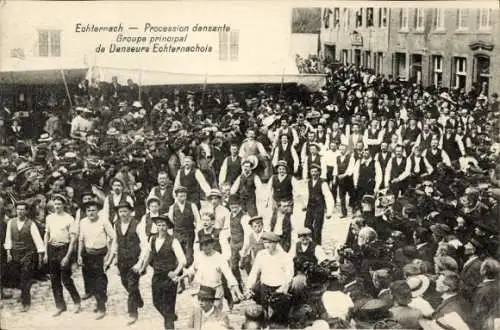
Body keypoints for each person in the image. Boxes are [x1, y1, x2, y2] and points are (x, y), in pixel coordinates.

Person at [141, 215, 186, 330]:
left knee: (168, 306)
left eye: (164, 225)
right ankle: (171, 317)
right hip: (157, 276)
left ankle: (170, 323)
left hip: (169, 278)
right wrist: (143, 267)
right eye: (159, 225)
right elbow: (149, 255)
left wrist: (175, 272)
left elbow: (182, 261)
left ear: (168, 227)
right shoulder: (153, 239)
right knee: (156, 303)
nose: (161, 228)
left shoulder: (173, 241)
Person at [106, 201, 147, 325]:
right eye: (120, 212)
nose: (123, 214)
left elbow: (145, 245)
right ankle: (138, 298)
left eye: (125, 211)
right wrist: (111, 259)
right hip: (122, 261)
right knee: (125, 283)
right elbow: (115, 243)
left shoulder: (137, 225)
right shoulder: (116, 224)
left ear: (130, 212)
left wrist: (140, 263)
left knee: (132, 285)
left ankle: (132, 314)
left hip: (134, 260)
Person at [4, 201, 46, 312]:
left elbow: (37, 240)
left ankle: (26, 302)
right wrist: (8, 252)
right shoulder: (10, 222)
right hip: (14, 254)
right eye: (18, 209)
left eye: (22, 209)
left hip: (28, 254)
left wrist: (41, 254)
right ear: (15, 210)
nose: (20, 211)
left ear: (26, 211)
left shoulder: (31, 224)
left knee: (25, 279)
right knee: (18, 278)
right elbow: (8, 238)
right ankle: (23, 294)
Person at [43, 194, 81, 316]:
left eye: (59, 204)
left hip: (64, 249)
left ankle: (77, 301)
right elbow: (47, 235)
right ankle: (60, 306)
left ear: (64, 205)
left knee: (66, 279)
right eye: (55, 204)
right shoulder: (49, 218)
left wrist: (67, 256)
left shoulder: (69, 219)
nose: (57, 206)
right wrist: (45, 253)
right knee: (54, 280)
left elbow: (73, 239)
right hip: (52, 249)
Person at [77, 200, 115, 320]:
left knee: (99, 281)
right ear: (86, 212)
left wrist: (110, 255)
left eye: (93, 210)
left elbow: (113, 237)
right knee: (92, 281)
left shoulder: (103, 221)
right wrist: (79, 255)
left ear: (98, 211)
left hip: (101, 255)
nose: (91, 212)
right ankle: (101, 299)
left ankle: (101, 307)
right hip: (88, 254)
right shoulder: (83, 222)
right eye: (88, 210)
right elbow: (81, 240)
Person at [245, 232, 293, 312]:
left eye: (270, 243)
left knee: (279, 314)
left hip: (279, 289)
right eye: (265, 243)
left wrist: (283, 288)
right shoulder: (261, 254)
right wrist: (248, 287)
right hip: (265, 287)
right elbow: (254, 272)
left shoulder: (285, 256)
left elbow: (289, 275)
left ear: (276, 243)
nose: (267, 245)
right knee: (264, 311)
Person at [167, 186, 200, 292]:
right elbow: (170, 221)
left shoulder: (192, 205)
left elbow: (198, 220)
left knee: (189, 257)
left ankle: (189, 274)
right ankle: (181, 282)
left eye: (184, 196)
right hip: (177, 234)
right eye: (180, 196)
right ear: (176, 197)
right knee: (178, 259)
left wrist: (198, 234)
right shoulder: (173, 207)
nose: (182, 198)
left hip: (189, 233)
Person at [302, 164, 334, 245]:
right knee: (307, 226)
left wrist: (329, 211)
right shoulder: (309, 182)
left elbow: (328, 197)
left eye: (315, 171)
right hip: (310, 207)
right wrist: (305, 205)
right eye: (312, 171)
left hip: (319, 208)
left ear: (319, 173)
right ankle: (309, 244)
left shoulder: (323, 183)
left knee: (317, 228)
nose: (313, 174)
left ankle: (317, 246)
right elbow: (306, 194)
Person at [471, 258, 500, 330]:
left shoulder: (481, 290)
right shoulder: (498, 284)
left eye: (481, 267)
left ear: (484, 271)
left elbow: (476, 314)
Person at [334, 143, 356, 218]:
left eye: (343, 149)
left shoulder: (351, 158)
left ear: (346, 149)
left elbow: (350, 169)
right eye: (340, 149)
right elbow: (335, 168)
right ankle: (343, 213)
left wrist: (343, 175)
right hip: (340, 180)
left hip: (348, 180)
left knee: (352, 196)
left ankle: (354, 212)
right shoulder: (337, 157)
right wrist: (335, 178)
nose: (341, 150)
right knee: (341, 197)